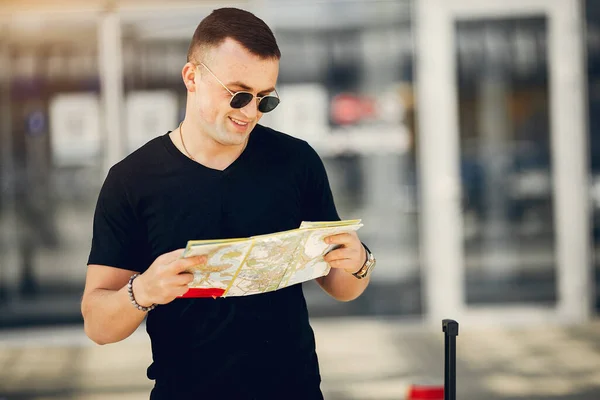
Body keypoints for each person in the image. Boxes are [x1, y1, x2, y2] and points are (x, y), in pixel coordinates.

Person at [81, 7, 376, 400]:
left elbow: (342, 286)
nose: (250, 112)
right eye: (237, 95)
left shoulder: (296, 162)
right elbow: (98, 325)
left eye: (265, 99)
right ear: (192, 77)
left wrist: (359, 262)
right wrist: (144, 290)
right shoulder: (132, 180)